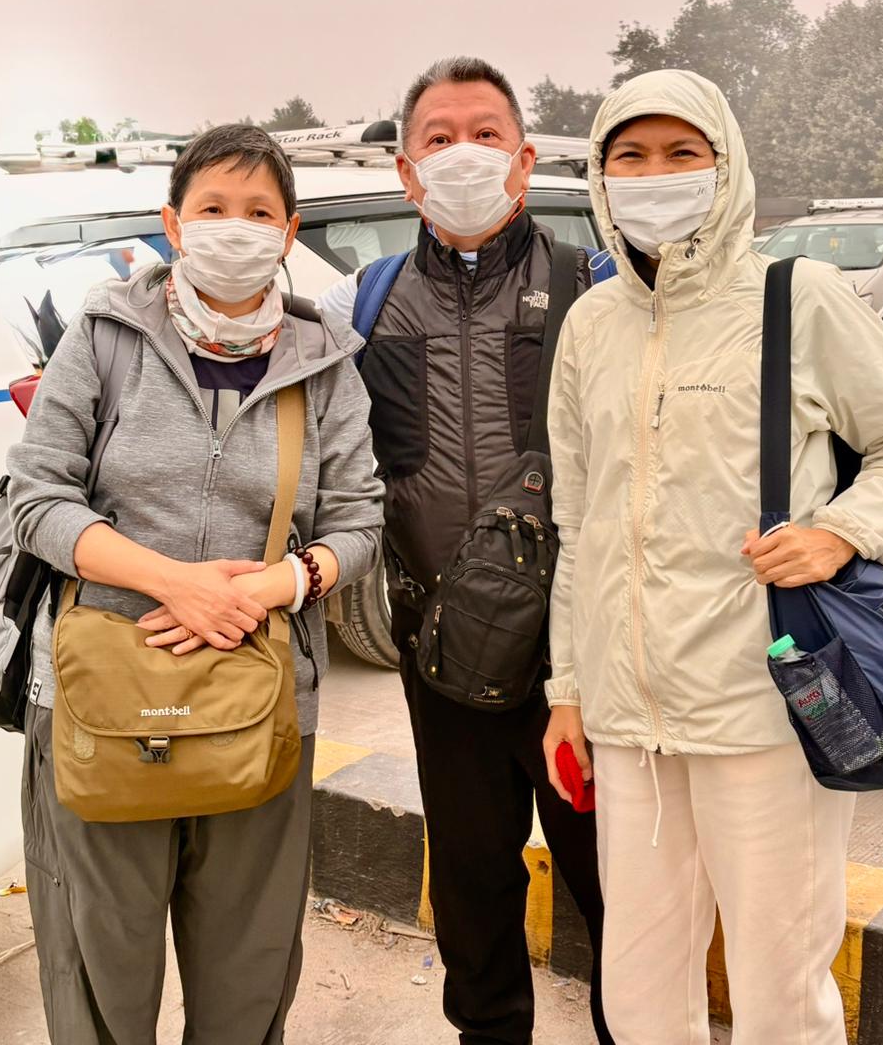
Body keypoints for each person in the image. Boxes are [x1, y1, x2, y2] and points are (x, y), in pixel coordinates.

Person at [541, 69, 883, 1045]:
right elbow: (577, 524)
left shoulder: (797, 297)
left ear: (725, 166)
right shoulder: (591, 325)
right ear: (600, 177)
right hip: (630, 720)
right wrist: (569, 687)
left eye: (681, 152)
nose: (654, 175)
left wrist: (841, 530)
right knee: (638, 993)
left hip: (765, 706)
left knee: (778, 989)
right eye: (629, 156)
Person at [8, 124, 384, 1045]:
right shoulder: (103, 335)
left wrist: (270, 589)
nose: (235, 228)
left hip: (259, 701)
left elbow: (358, 526)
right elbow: (36, 498)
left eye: (258, 212)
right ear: (175, 223)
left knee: (247, 970)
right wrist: (177, 583)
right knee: (100, 964)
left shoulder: (325, 363)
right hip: (98, 699)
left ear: (289, 232)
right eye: (213, 208)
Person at [318, 57, 613, 1045]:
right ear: (407, 173)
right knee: (475, 896)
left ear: (524, 161)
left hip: (589, 665)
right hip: (443, 665)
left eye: (485, 134)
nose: (463, 155)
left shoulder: (594, 286)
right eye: (438, 138)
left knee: (622, 896)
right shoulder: (366, 301)